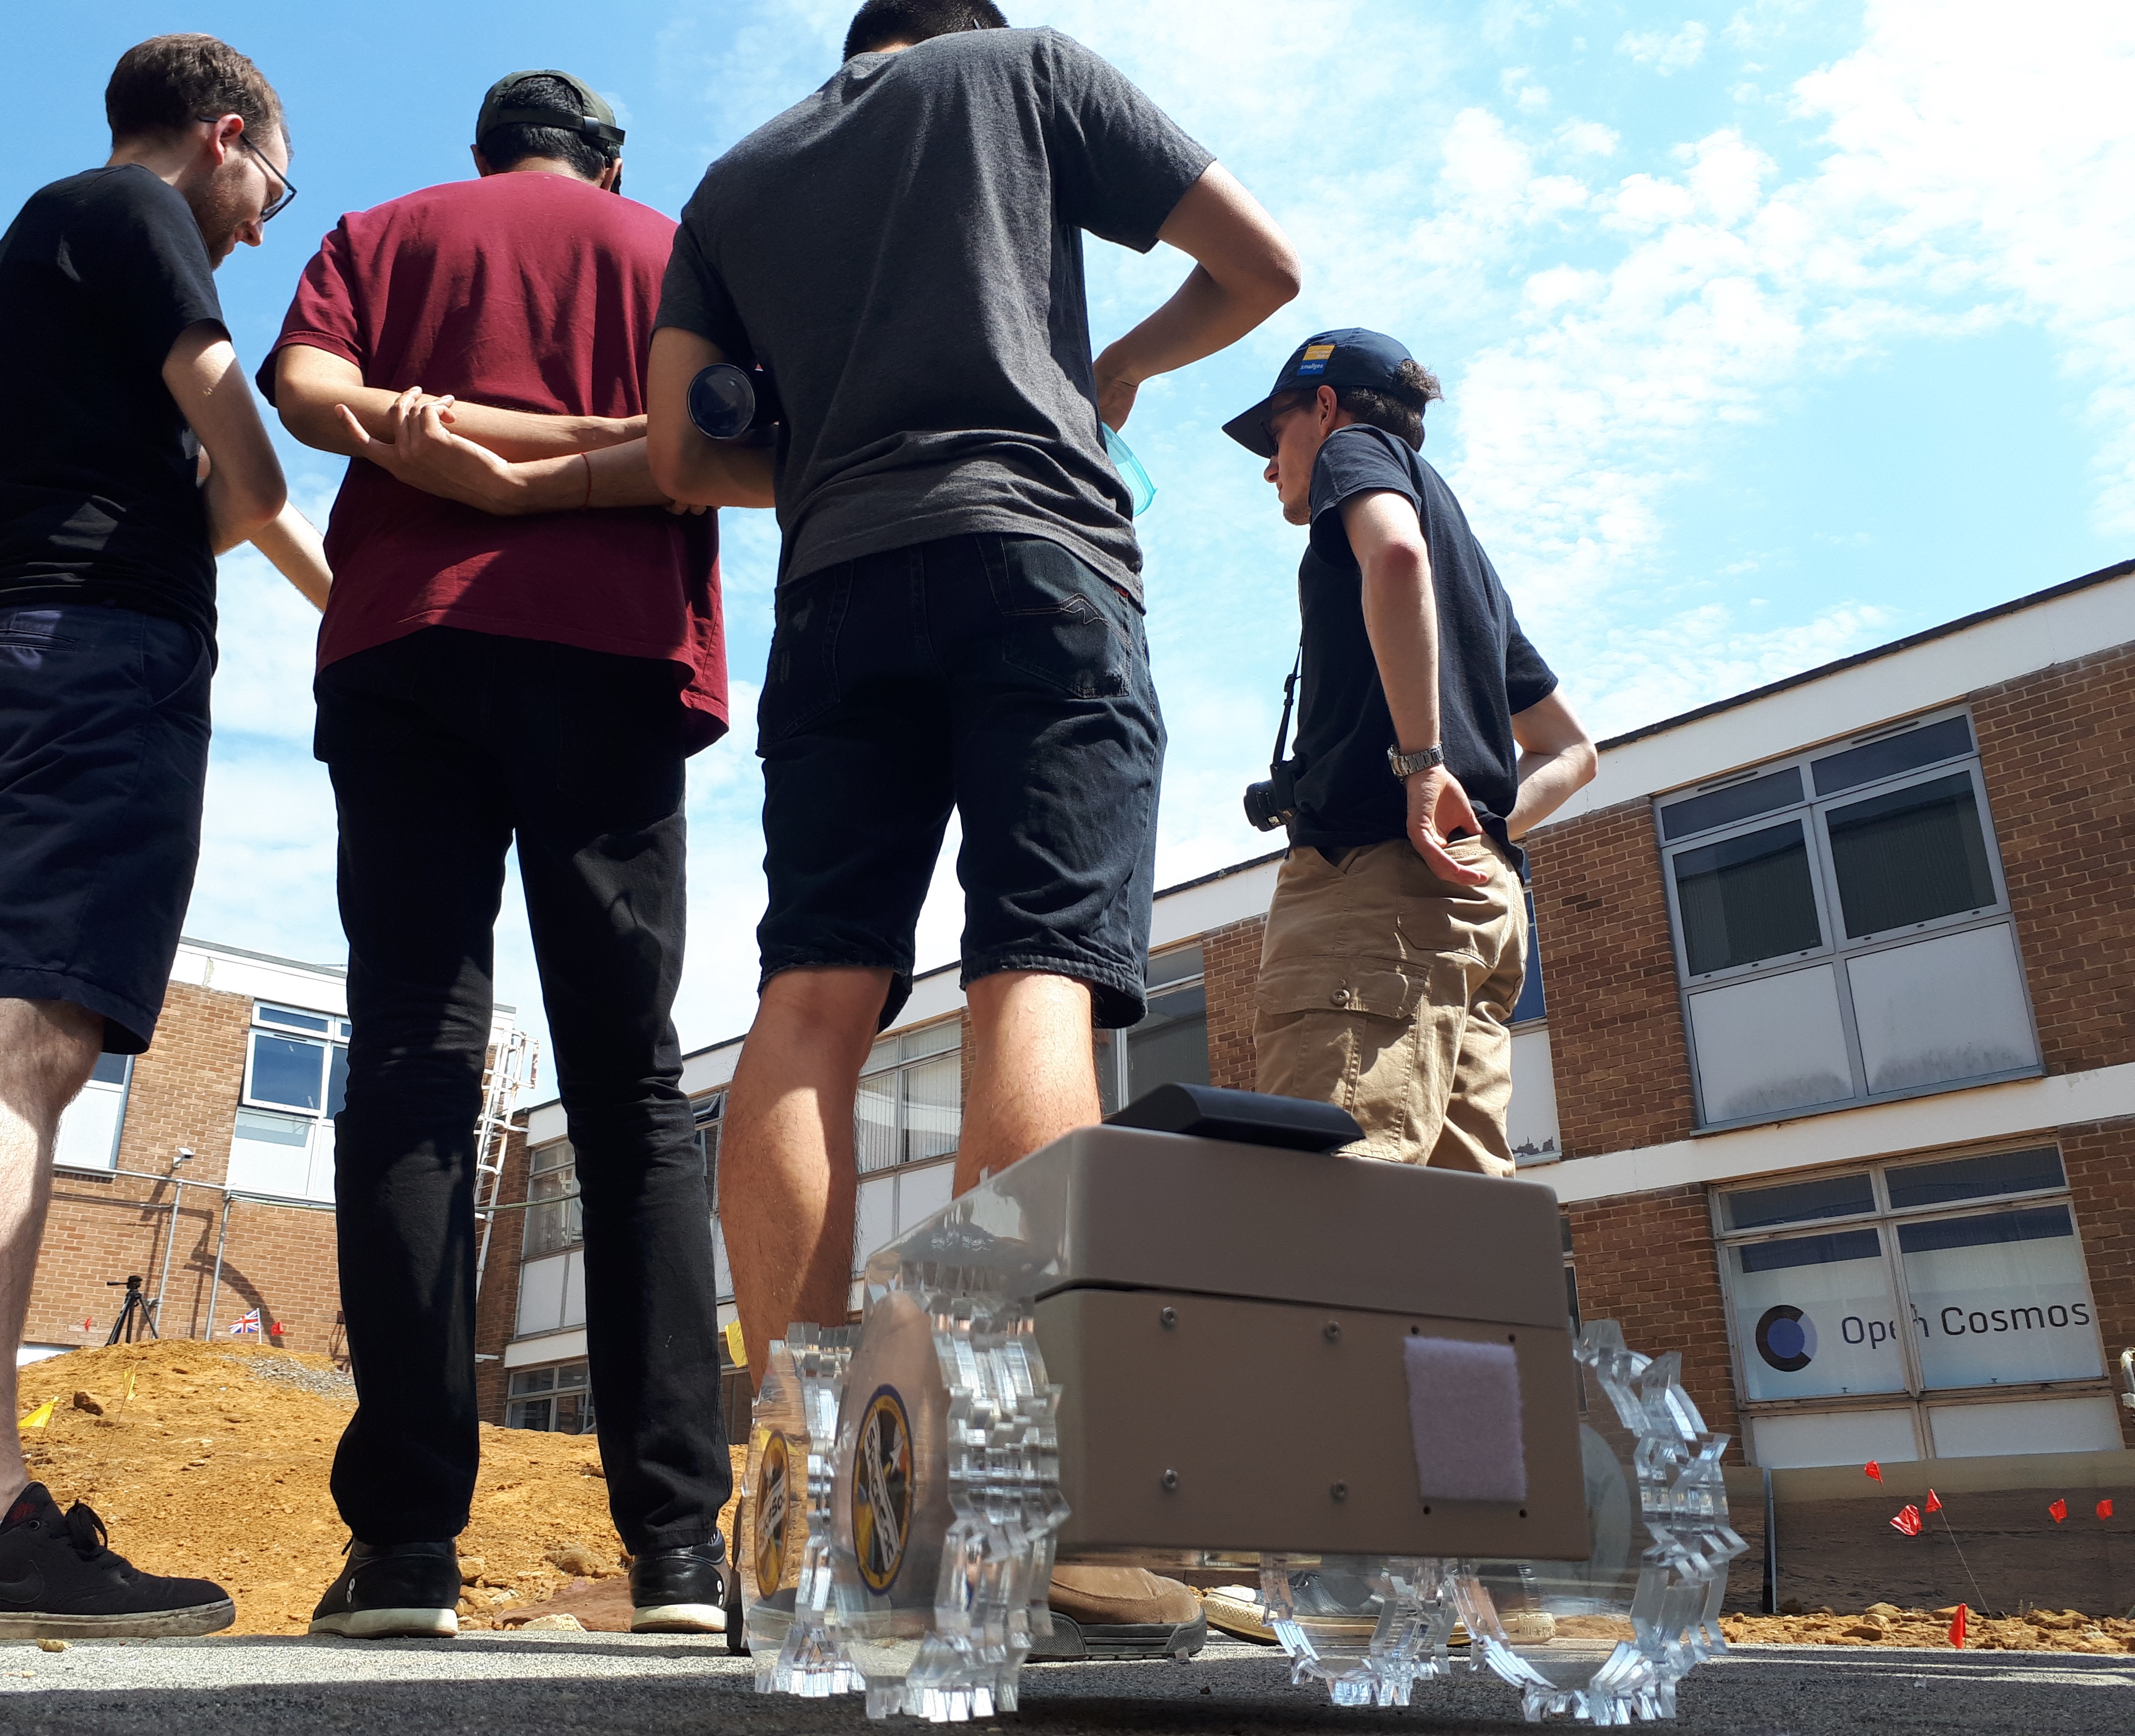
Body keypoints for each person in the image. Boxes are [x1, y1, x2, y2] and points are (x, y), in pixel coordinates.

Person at [647, 0, 1298, 1657]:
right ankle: (998, 1494)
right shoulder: (1028, 72)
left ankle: (794, 1503)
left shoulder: (728, 181)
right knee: (1037, 981)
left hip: (839, 588)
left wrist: (834, 455)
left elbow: (678, 450)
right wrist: (1121, 367)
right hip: (1037, 553)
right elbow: (1260, 267)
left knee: (809, 1006)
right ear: (964, 26)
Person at [260, 70, 771, 1641]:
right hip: (610, 649)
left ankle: (408, 1551)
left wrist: (437, 442)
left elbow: (305, 388)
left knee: (415, 1062)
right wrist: (576, 449)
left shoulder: (384, 230)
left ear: (479, 155)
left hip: (409, 645)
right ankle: (678, 1551)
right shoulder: (671, 246)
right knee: (629, 1089)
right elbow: (728, 435)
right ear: (605, 160)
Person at [0, 33, 330, 1640]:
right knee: (26, 1052)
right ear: (221, 137)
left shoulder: (47, 254)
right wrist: (228, 530)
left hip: (39, 649)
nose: (268, 219)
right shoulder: (130, 217)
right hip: (92, 660)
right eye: (274, 177)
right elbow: (256, 468)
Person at [1224, 329, 1597, 1171]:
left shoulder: (1351, 451)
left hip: (1377, 889)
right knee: (1456, 1220)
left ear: (1323, 408)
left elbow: (1392, 554)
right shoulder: (1468, 553)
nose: (1268, 463)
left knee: (1325, 1184)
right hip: (1473, 908)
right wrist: (1480, 833)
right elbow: (1572, 749)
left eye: (1273, 433)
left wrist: (1422, 772)